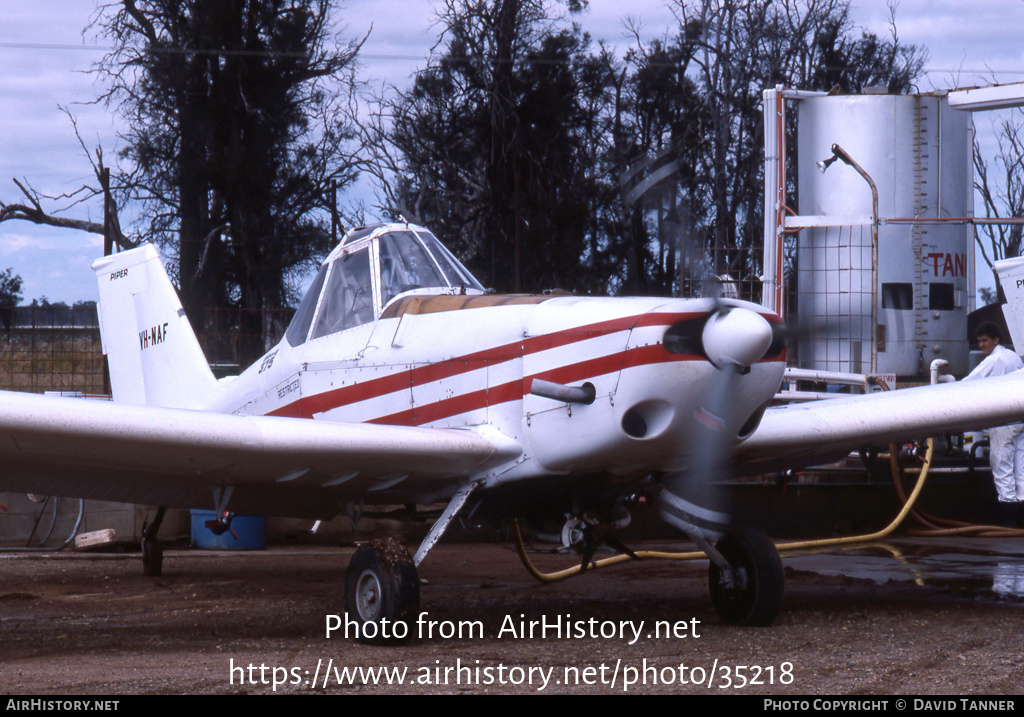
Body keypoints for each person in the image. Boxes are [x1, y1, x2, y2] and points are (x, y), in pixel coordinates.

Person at [963, 322, 1024, 526]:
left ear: (995, 340)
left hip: (1003, 420)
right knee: (1021, 468)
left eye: (984, 340)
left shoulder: (994, 359)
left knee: (1001, 467)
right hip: (1020, 418)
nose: (981, 345)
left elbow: (970, 382)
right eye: (979, 341)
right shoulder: (1014, 357)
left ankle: (1009, 523)